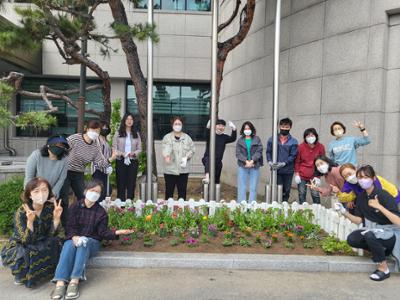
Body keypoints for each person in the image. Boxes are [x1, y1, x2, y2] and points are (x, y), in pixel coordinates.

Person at [50, 180, 134, 300]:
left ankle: (74, 281)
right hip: (74, 239)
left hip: (92, 243)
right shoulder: (74, 207)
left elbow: (102, 233)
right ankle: (60, 282)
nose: (94, 194)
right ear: (85, 191)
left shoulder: (101, 212)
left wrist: (117, 232)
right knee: (68, 244)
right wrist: (74, 237)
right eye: (92, 190)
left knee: (84, 242)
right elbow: (70, 227)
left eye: (98, 192)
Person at [334, 165, 400, 281]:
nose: (363, 180)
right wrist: (344, 212)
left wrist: (380, 207)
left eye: (366, 177)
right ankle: (382, 251)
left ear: (374, 178)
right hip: (374, 231)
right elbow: (359, 220)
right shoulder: (361, 198)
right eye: (360, 178)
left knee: (370, 235)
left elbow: (398, 222)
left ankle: (383, 269)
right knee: (352, 238)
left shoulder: (384, 195)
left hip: (391, 233)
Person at [1, 178, 64, 288]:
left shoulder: (51, 208)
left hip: (42, 240)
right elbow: (25, 240)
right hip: (22, 243)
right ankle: (21, 275)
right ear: (29, 195)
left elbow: (51, 234)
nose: (41, 194)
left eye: (45, 190)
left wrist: (56, 219)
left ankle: (49, 272)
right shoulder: (21, 212)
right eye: (36, 191)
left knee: (57, 243)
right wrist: (30, 222)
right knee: (26, 251)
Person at [60, 120, 116, 226]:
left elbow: (100, 162)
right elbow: (62, 148)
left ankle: (83, 221)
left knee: (84, 197)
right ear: (87, 129)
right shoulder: (75, 138)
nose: (95, 132)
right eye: (92, 129)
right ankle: (65, 224)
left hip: (79, 173)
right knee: (64, 198)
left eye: (97, 130)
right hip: (65, 171)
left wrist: (110, 160)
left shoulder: (95, 145)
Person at [162, 116, 195, 200]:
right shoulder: (167, 137)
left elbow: (192, 149)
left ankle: (181, 211)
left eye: (179, 124)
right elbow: (166, 148)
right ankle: (168, 212)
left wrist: (187, 156)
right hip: (170, 170)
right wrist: (167, 155)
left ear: (182, 125)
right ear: (172, 125)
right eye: (175, 124)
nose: (177, 125)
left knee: (182, 193)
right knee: (169, 193)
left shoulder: (187, 138)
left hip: (183, 170)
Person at [266, 118, 298, 202]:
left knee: (286, 190)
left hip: (288, 170)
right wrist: (269, 161)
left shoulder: (294, 141)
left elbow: (293, 155)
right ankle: (275, 205)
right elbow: (268, 152)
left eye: (287, 127)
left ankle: (284, 205)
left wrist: (284, 163)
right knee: (277, 189)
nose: (284, 128)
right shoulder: (272, 139)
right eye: (283, 126)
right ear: (279, 126)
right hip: (276, 170)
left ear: (290, 127)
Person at [112, 113, 142, 201]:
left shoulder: (136, 134)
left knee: (131, 183)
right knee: (121, 183)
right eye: (127, 119)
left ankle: (130, 203)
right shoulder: (118, 133)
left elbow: (140, 148)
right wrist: (122, 153)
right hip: (121, 160)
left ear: (133, 121)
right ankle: (120, 204)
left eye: (131, 119)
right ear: (124, 121)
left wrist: (134, 153)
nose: (129, 121)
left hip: (133, 161)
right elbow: (114, 148)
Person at [294, 128, 325, 204]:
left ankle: (317, 210)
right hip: (302, 175)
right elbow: (297, 161)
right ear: (305, 137)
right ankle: (302, 211)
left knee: (315, 194)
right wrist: (297, 174)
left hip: (314, 175)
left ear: (316, 136)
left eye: (312, 135)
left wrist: (318, 176)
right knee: (302, 193)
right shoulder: (300, 147)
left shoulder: (320, 147)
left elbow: (322, 162)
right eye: (308, 136)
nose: (310, 137)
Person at [202, 119, 237, 184]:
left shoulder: (224, 137)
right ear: (215, 126)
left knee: (216, 180)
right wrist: (208, 126)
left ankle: (215, 191)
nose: (221, 127)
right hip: (208, 158)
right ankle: (207, 177)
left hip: (218, 161)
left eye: (223, 126)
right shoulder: (211, 135)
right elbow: (206, 133)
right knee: (208, 160)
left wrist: (234, 129)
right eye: (219, 125)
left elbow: (233, 138)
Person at [236, 121, 263, 203]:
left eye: (248, 128)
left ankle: (252, 206)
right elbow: (238, 153)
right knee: (242, 187)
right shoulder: (240, 140)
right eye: (245, 128)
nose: (247, 130)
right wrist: (246, 161)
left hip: (254, 165)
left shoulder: (257, 139)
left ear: (252, 129)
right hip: (242, 166)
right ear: (243, 130)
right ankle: (242, 206)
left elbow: (259, 151)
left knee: (253, 187)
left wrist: (252, 161)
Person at [92, 121, 113, 201]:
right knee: (99, 192)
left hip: (105, 170)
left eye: (106, 127)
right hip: (98, 170)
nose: (105, 129)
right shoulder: (97, 141)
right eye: (103, 128)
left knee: (107, 191)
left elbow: (108, 156)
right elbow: (98, 157)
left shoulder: (106, 141)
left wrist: (109, 166)